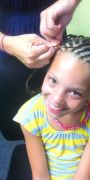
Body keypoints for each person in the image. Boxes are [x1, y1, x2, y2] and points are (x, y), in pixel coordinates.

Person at [13, 35, 90, 179]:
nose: (56, 99)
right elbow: (40, 175)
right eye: (53, 80)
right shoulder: (30, 115)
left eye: (74, 92)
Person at [0, 0, 80, 139]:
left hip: (51, 25)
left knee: (57, 89)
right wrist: (4, 42)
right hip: (5, 32)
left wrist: (70, 2)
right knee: (14, 100)